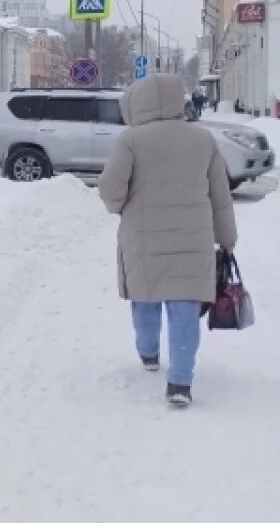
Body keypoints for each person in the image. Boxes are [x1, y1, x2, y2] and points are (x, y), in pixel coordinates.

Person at [97, 74, 237, 408]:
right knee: (185, 306)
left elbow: (111, 192)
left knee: (145, 297)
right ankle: (180, 382)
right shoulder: (203, 139)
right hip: (194, 239)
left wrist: (119, 205)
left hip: (142, 238)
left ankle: (148, 352)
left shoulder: (131, 140)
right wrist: (227, 237)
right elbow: (220, 195)